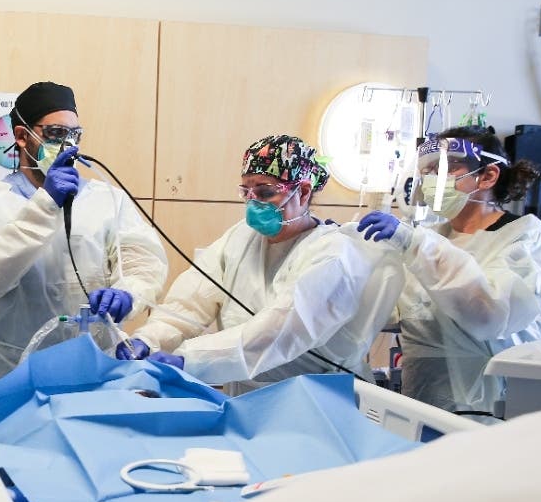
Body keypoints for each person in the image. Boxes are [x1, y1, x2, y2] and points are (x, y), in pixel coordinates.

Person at [117, 134, 403, 395]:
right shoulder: (242, 237)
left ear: (303, 192)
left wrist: (187, 359)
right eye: (247, 192)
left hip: (313, 399)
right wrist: (146, 340)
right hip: (247, 395)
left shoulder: (333, 254)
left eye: (265, 192)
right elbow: (190, 303)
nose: (253, 203)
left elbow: (278, 332)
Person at [0, 81, 168, 406]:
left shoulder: (107, 199)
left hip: (90, 372)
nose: (68, 144)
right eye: (55, 134)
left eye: (74, 134)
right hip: (10, 372)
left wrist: (128, 294)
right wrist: (46, 203)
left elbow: (143, 263)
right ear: (22, 136)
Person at [357, 126, 541, 418]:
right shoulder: (430, 239)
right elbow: (394, 307)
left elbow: (489, 314)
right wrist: (345, 257)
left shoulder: (521, 235)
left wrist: (414, 242)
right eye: (429, 170)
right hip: (421, 400)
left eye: (447, 167)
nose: (433, 180)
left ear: (487, 175)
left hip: (487, 406)